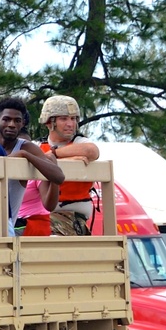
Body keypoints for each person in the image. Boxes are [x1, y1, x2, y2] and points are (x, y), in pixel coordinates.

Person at [0, 97, 64, 235]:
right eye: (6, 119)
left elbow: (58, 176)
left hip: (11, 226)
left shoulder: (26, 147)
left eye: (17, 121)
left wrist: (25, 155)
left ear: (23, 123)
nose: (11, 124)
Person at [38, 95, 100, 235]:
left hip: (72, 217)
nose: (70, 124)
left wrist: (54, 154)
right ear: (49, 122)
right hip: (40, 215)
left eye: (73, 119)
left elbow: (92, 151)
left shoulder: (80, 143)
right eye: (64, 118)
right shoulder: (38, 146)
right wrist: (71, 159)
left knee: (49, 236)